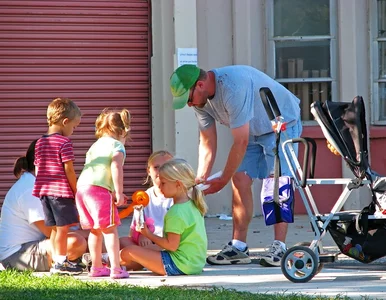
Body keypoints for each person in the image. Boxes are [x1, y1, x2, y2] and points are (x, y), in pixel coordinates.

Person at [169, 64, 302, 267]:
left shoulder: (232, 87)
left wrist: (221, 180)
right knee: (239, 179)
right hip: (251, 131)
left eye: (188, 99)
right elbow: (207, 142)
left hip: (281, 125)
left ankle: (279, 247)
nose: (188, 105)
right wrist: (201, 178)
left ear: (201, 85)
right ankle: (239, 247)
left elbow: (240, 142)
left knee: (276, 183)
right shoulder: (200, 103)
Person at [0, 140, 87, 272]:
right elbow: (50, 231)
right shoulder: (29, 188)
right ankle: (77, 259)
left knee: (88, 237)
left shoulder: (42, 185)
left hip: (38, 244)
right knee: (76, 242)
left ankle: (92, 259)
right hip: (16, 254)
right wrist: (86, 233)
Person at [120, 158, 208, 276]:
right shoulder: (192, 205)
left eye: (163, 183)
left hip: (178, 265)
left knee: (129, 251)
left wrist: (148, 234)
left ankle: (103, 262)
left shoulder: (176, 212)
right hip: (194, 264)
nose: (159, 186)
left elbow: (171, 246)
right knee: (144, 252)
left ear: (178, 184)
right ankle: (118, 266)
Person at [76, 108, 131, 279]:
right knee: (110, 230)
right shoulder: (117, 145)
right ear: (123, 131)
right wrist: (119, 192)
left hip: (82, 189)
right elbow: (115, 166)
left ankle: (97, 267)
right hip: (98, 191)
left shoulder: (95, 145)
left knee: (95, 230)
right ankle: (116, 268)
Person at [32, 97, 83, 275]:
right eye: (74, 127)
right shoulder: (64, 143)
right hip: (60, 192)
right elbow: (68, 169)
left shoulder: (39, 142)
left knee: (54, 229)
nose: (73, 131)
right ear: (65, 121)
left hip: (44, 192)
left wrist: (40, 189)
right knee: (63, 229)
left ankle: (56, 261)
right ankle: (62, 262)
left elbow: (38, 169)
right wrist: (76, 189)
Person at [119, 150, 174, 271]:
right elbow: (133, 231)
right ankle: (123, 262)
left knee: (133, 252)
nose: (160, 172)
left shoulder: (177, 197)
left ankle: (109, 262)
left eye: (165, 167)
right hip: (146, 243)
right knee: (122, 241)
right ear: (148, 171)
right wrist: (142, 236)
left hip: (166, 244)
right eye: (156, 167)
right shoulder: (143, 197)